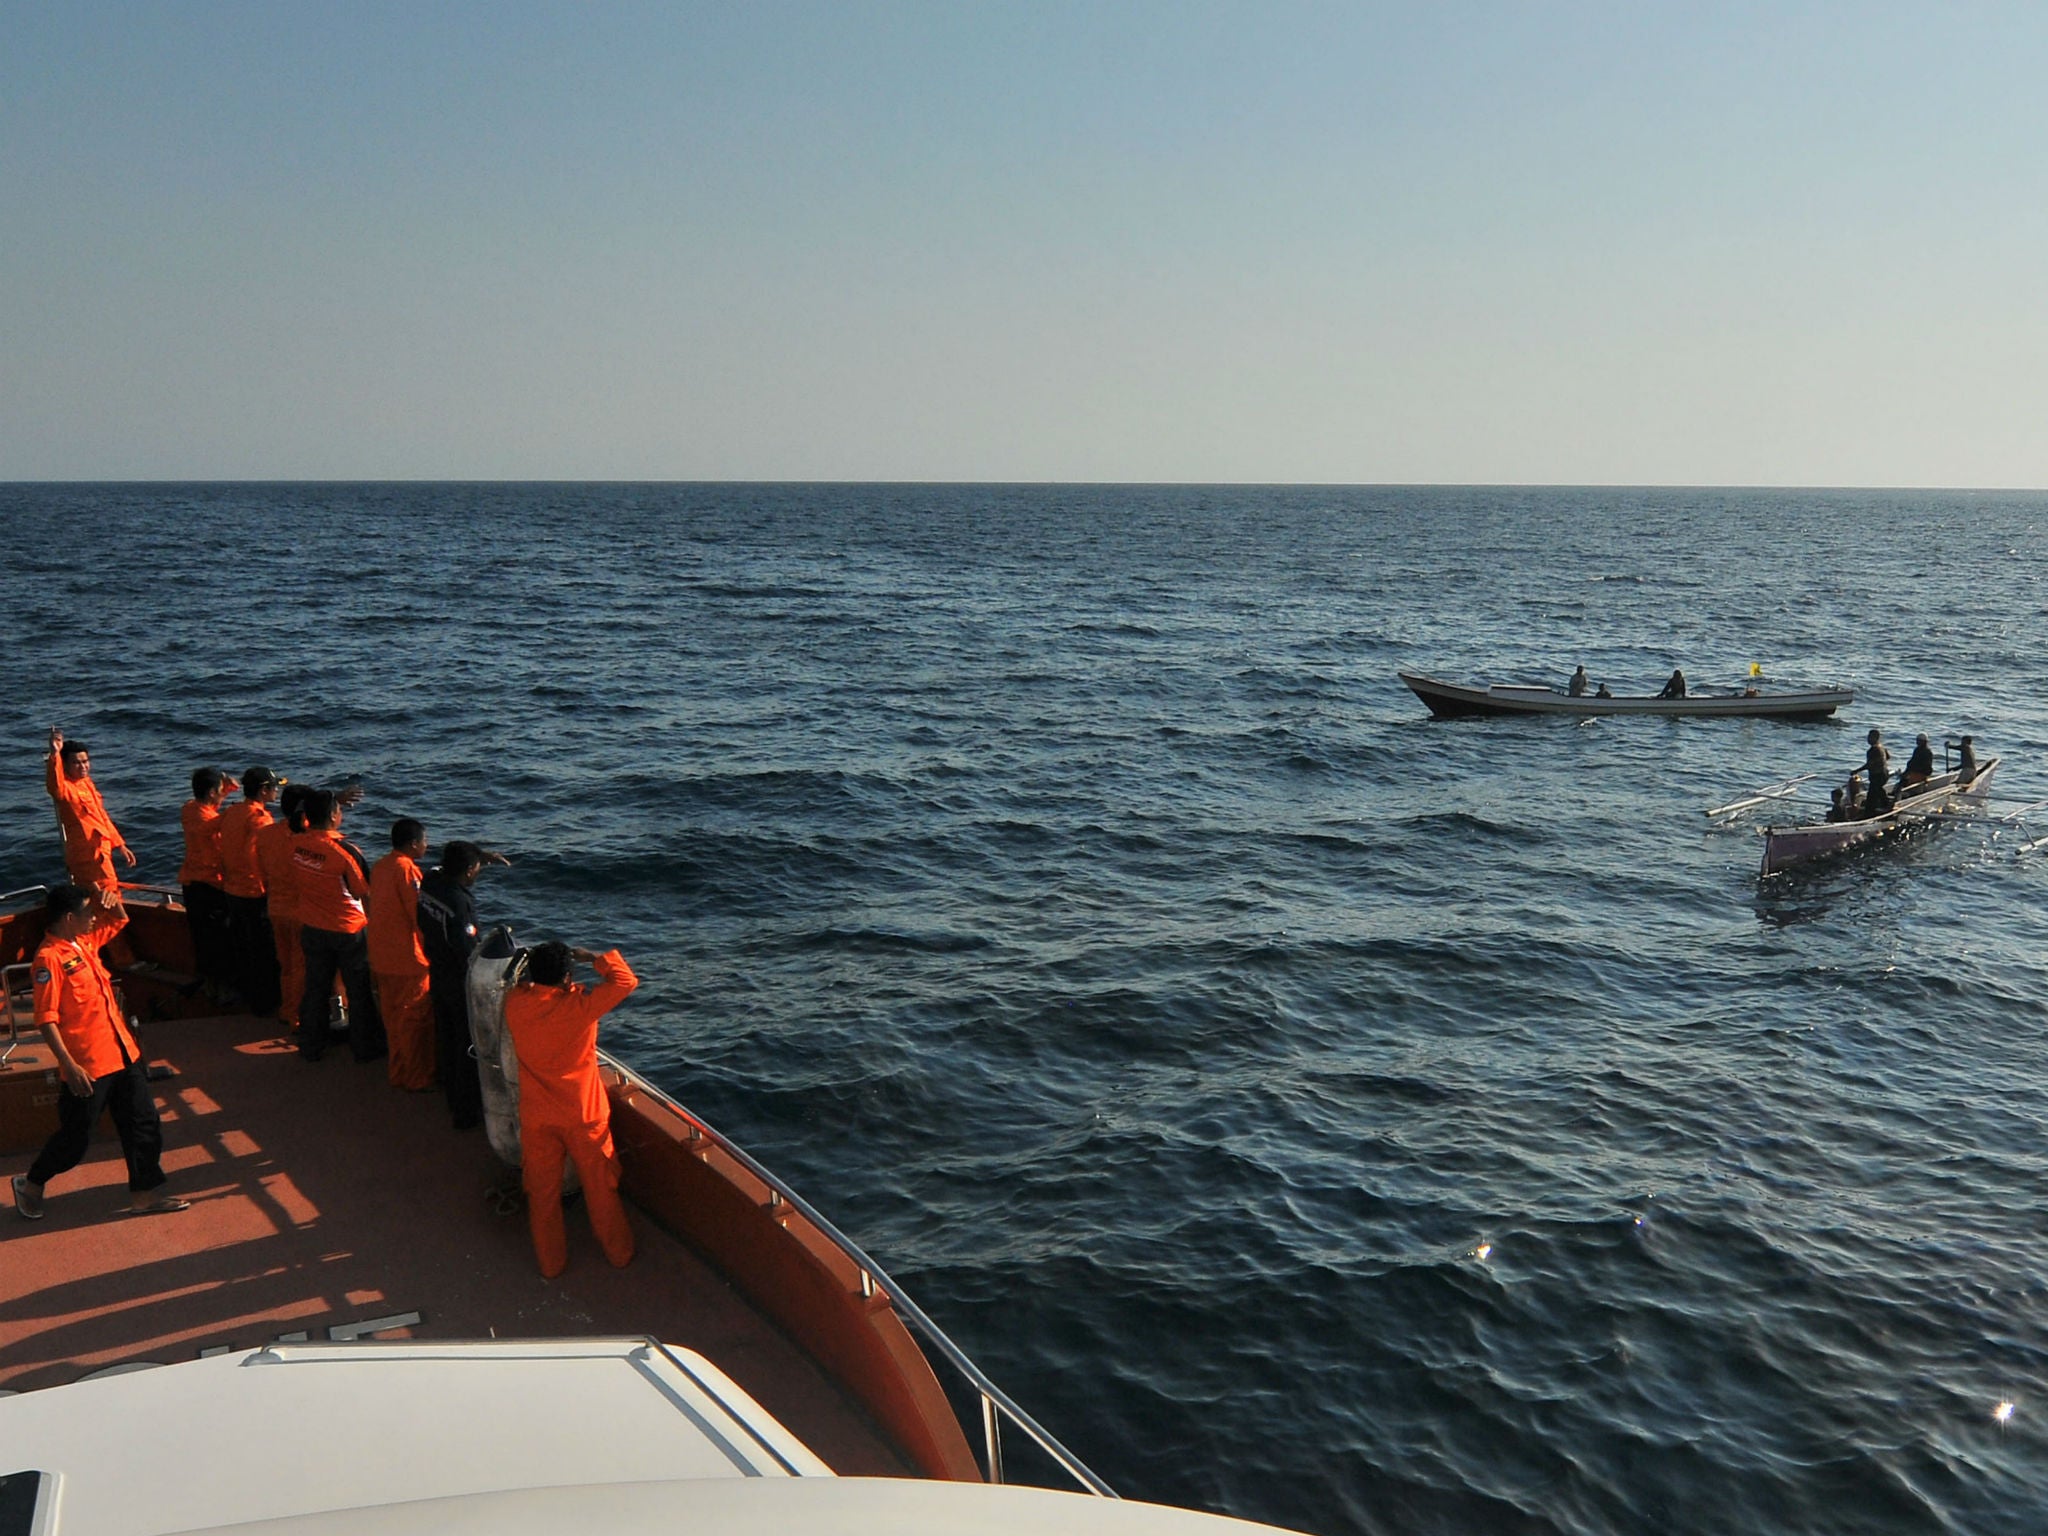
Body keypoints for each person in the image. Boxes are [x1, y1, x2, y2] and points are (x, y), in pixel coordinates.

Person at [11, 886, 188, 1219]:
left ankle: (144, 1195)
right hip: (89, 1065)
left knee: (144, 1124)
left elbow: (119, 921)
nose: (93, 918)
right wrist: (69, 1066)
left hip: (122, 1053)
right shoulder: (48, 959)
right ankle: (31, 1183)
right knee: (75, 1141)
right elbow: (46, 1019)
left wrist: (113, 903)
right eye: (87, 913)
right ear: (68, 918)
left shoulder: (85, 943)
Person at [503, 941, 639, 1277]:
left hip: (538, 1116)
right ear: (566, 977)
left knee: (542, 1193)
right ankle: (618, 1253)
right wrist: (594, 958)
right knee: (600, 1187)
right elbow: (626, 981)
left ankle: (551, 1264)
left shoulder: (515, 1003)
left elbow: (515, 982)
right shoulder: (579, 1007)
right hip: (583, 1115)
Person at [292, 788, 385, 1063]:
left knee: (316, 988)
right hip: (348, 931)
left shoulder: (296, 844)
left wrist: (331, 800)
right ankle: (364, 1048)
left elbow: (296, 818)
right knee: (358, 992)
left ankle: (311, 1045)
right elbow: (363, 892)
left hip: (311, 926)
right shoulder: (345, 853)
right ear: (334, 816)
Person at [417, 841, 492, 1129]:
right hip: (457, 980)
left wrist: (480, 856)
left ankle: (449, 1094)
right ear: (469, 871)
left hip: (436, 969)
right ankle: (465, 1113)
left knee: (446, 1036)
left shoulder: (431, 881)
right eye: (476, 867)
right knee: (466, 1045)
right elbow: (468, 950)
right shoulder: (460, 904)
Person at [368, 818, 436, 1091]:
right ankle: (417, 1078)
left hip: (381, 955)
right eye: (424, 841)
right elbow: (418, 917)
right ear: (413, 844)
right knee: (414, 1021)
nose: (426, 845)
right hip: (407, 961)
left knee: (392, 1018)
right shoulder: (408, 872)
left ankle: (398, 1071)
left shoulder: (381, 866)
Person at [216, 767, 283, 1014]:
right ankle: (266, 1003)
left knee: (243, 948)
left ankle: (248, 997)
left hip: (232, 890)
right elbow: (257, 855)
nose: (277, 790)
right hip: (254, 893)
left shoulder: (233, 811)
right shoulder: (260, 819)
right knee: (263, 953)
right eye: (274, 786)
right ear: (264, 790)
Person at [44, 728, 134, 894]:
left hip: (101, 850)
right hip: (86, 856)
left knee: (106, 896)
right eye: (76, 762)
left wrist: (120, 845)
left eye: (85, 761)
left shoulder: (86, 783)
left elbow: (102, 817)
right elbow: (54, 784)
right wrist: (55, 754)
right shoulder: (65, 788)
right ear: (65, 764)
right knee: (107, 899)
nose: (83, 766)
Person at [256, 783, 311, 1031]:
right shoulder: (306, 839)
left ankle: (287, 1009)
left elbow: (261, 870)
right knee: (301, 966)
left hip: (276, 907)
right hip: (301, 911)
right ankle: (296, 1016)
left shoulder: (266, 834)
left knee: (286, 964)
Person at [178, 767, 236, 1000]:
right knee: (216, 941)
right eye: (220, 791)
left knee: (203, 938)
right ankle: (218, 989)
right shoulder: (206, 820)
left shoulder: (190, 808)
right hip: (208, 887)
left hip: (195, 884)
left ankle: (211, 984)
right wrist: (243, 810)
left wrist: (227, 790)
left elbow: (214, 811)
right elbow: (219, 821)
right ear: (212, 792)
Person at [1863, 729, 1890, 798]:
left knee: (1872, 795)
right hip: (1885, 773)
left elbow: (1869, 765)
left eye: (1870, 737)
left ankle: (1885, 804)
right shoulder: (1882, 747)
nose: (1868, 739)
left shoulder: (1873, 750)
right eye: (1868, 737)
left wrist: (1856, 771)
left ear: (1876, 738)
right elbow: (1888, 757)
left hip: (1877, 775)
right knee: (1877, 790)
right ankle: (1885, 803)